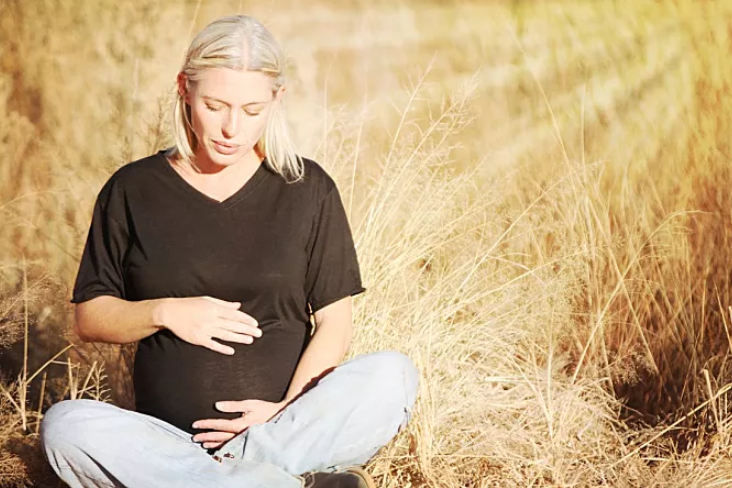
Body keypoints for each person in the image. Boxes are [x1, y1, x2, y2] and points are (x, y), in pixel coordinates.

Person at [40, 14, 419, 488]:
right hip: (171, 443)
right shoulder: (133, 189)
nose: (231, 128)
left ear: (277, 99)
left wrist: (283, 413)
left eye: (252, 109)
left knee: (393, 376)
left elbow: (334, 323)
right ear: (184, 89)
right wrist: (166, 311)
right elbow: (90, 317)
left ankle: (248, 471)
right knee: (66, 427)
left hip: (283, 429)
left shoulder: (307, 189)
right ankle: (277, 481)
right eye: (215, 105)